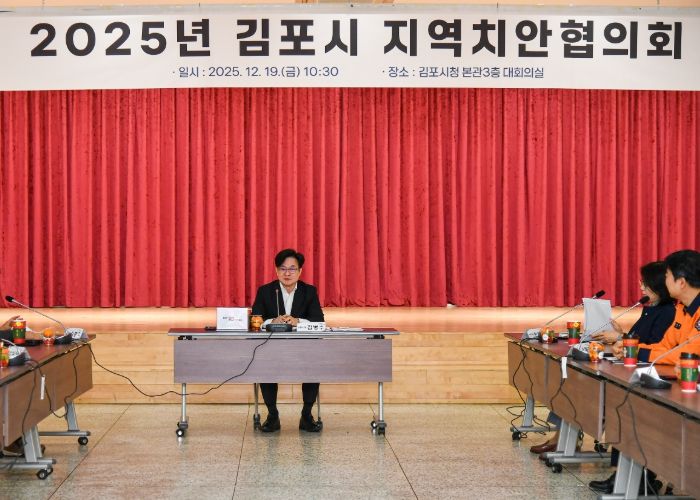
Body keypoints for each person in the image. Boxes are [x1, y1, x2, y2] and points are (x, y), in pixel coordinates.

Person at [588, 261, 675, 494]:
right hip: (637, 370)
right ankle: (624, 475)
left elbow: (655, 345)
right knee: (621, 406)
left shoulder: (668, 312)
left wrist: (621, 339)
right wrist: (621, 335)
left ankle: (635, 476)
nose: (641, 286)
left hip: (655, 374)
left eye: (645, 283)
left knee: (627, 409)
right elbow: (638, 338)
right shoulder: (650, 308)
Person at [251, 248, 324, 433]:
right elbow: (255, 320)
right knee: (264, 365)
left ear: (300, 271)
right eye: (283, 269)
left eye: (292, 269)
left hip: (302, 346)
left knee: (314, 364)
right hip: (272, 346)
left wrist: (298, 321)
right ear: (276, 271)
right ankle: (272, 416)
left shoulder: (309, 291)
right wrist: (271, 322)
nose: (287, 273)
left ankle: (306, 415)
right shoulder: (266, 291)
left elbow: (319, 321)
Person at [613, 250, 700, 364]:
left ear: (681, 282)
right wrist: (631, 348)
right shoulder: (682, 308)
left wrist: (638, 352)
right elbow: (665, 346)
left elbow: (690, 355)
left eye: (666, 276)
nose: (664, 282)